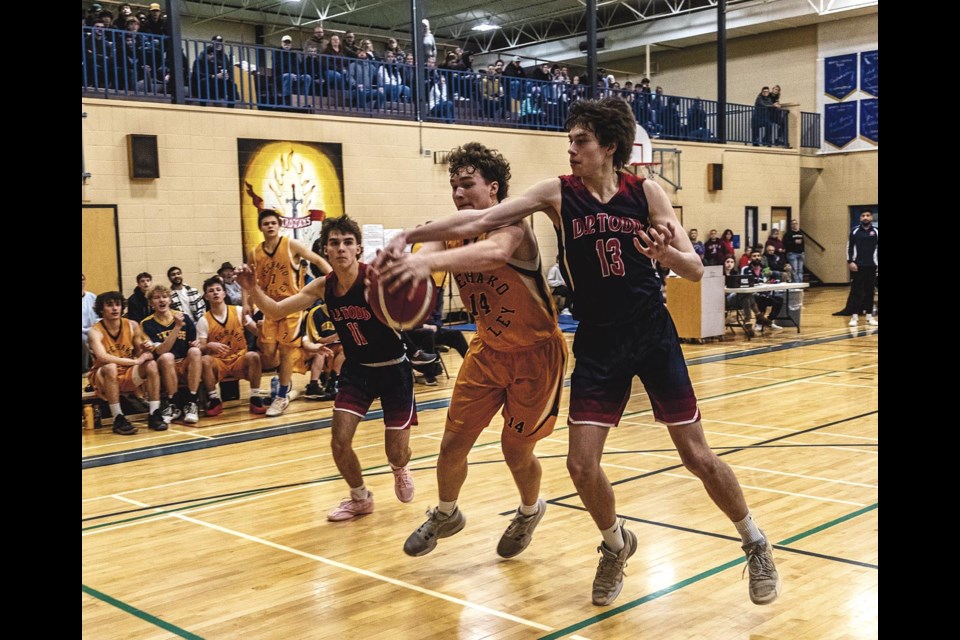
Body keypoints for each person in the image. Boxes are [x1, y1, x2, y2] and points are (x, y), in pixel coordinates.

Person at [375, 98, 779, 607]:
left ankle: (755, 542)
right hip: (598, 340)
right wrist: (410, 236)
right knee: (581, 465)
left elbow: (694, 268)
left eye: (581, 141)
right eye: (569, 141)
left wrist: (663, 254)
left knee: (696, 455)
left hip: (652, 334)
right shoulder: (556, 193)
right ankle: (615, 545)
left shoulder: (646, 192)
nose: (571, 150)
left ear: (610, 146)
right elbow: (488, 218)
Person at [378, 142, 566, 559]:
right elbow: (429, 249)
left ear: (493, 188)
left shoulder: (515, 224)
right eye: (454, 186)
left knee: (515, 450)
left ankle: (530, 510)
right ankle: (447, 513)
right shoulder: (447, 230)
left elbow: (492, 253)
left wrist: (430, 263)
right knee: (452, 444)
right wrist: (404, 269)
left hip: (537, 355)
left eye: (468, 184)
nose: (459, 193)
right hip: (487, 351)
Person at [238, 215, 417, 521]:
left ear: (359, 248)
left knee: (395, 452)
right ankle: (360, 498)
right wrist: (253, 289)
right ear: (326, 249)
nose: (341, 248)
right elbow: (276, 310)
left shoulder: (376, 279)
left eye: (348, 242)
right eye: (334, 243)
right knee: (339, 440)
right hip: (358, 370)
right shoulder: (323, 286)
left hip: (393, 370)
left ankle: (400, 468)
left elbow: (408, 310)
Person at [245, 209, 332, 416]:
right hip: (268, 306)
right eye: (266, 223)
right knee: (268, 353)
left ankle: (282, 395)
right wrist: (247, 303)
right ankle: (283, 382)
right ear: (261, 227)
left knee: (285, 351)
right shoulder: (255, 253)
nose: (270, 226)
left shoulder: (291, 244)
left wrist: (334, 278)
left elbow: (318, 260)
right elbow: (249, 280)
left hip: (292, 305)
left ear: (279, 225)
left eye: (273, 223)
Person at [87, 291, 167, 435]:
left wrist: (144, 350)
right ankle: (118, 417)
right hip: (103, 375)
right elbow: (103, 357)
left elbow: (139, 352)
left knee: (151, 364)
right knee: (110, 367)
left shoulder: (131, 325)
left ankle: (154, 412)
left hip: (127, 371)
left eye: (117, 305)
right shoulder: (95, 331)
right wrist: (134, 361)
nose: (115, 308)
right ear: (101, 309)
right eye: (110, 305)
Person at [197, 277, 267, 416]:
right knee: (204, 360)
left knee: (253, 356)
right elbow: (200, 347)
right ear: (206, 296)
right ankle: (214, 399)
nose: (215, 293)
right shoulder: (204, 320)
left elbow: (256, 331)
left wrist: (262, 327)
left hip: (239, 359)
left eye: (218, 290)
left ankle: (255, 397)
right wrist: (210, 345)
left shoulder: (239, 311)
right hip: (219, 362)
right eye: (211, 291)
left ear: (225, 293)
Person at [142, 284, 204, 424]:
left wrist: (197, 344)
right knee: (167, 356)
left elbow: (193, 343)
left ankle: (192, 402)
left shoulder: (184, 318)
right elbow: (161, 351)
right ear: (151, 303)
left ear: (170, 300)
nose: (161, 300)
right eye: (157, 298)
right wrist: (177, 327)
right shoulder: (147, 324)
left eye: (165, 297)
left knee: (195, 352)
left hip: (184, 363)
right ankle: (173, 404)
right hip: (164, 365)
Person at [846, 211, 878, 327]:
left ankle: (870, 317)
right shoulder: (854, 231)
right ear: (860, 218)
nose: (865, 218)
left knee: (870, 292)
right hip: (857, 267)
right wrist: (850, 262)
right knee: (856, 292)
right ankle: (854, 317)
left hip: (871, 266)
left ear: (871, 217)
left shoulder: (876, 232)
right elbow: (849, 246)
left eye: (867, 216)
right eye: (863, 216)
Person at [83, 274, 98, 373]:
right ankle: (85, 368)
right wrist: (88, 331)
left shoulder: (92, 296)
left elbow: (99, 314)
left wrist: (96, 326)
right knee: (83, 339)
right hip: (83, 331)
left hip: (95, 328)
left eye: (82, 279)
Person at [782, 219, 805, 283]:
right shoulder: (788, 234)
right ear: (791, 225)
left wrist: (803, 251)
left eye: (796, 223)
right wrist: (794, 242)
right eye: (793, 224)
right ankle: (797, 285)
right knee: (794, 270)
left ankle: (801, 284)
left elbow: (803, 243)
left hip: (800, 253)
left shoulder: (800, 233)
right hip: (792, 254)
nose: (795, 225)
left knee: (800, 270)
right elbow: (785, 243)